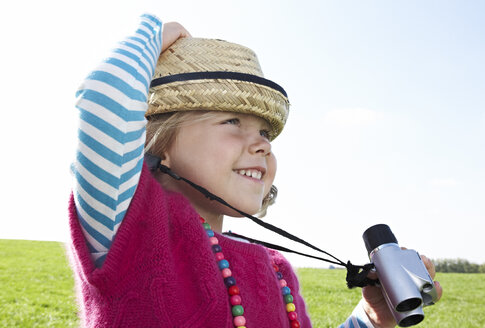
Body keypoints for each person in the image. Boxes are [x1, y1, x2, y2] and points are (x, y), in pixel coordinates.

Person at [68, 14, 442, 328]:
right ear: (160, 142)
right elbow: (105, 96)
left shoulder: (276, 269)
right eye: (232, 121)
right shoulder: (127, 231)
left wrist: (369, 316)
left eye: (265, 132)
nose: (263, 144)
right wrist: (157, 31)